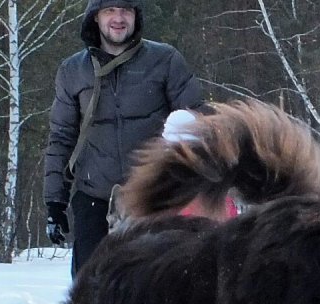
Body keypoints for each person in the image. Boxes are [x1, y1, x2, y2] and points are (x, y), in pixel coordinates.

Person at [43, 1, 205, 278]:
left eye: (126, 10)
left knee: (154, 288)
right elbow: (61, 136)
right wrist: (54, 202)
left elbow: (198, 118)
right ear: (95, 17)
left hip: (152, 196)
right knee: (90, 292)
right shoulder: (73, 71)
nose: (118, 18)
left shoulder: (164, 60)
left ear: (136, 16)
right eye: (109, 10)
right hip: (93, 195)